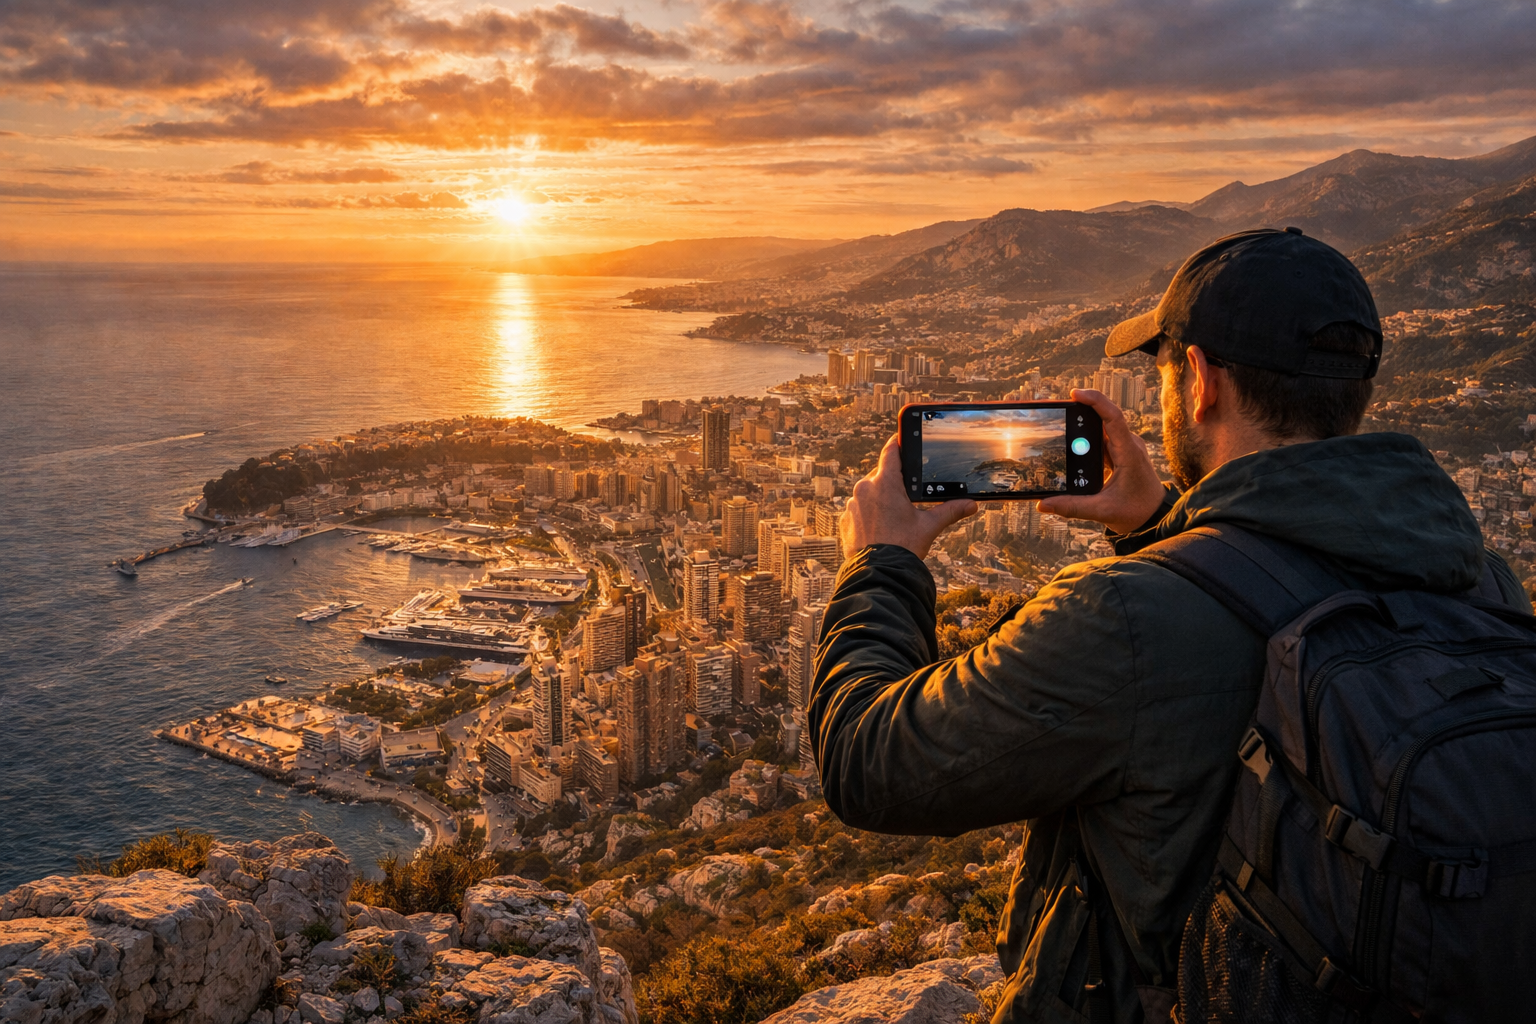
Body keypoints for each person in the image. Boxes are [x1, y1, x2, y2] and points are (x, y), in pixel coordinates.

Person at [811, 228, 1528, 1023]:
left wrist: (881, 565)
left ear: (1198, 381)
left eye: (1160, 368)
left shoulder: (1122, 615)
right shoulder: (1483, 578)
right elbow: (1269, 621)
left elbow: (866, 761)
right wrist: (1163, 526)